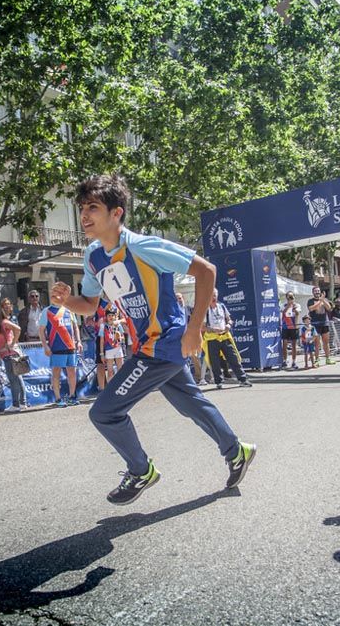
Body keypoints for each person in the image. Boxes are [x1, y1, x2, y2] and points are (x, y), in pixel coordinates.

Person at [49, 174, 257, 505]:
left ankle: (140, 470)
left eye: (93, 208)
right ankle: (237, 451)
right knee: (190, 402)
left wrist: (194, 329)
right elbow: (89, 306)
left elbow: (206, 271)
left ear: (116, 213)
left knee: (104, 412)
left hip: (165, 342)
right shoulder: (93, 257)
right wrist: (65, 302)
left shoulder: (144, 247)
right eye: (82, 208)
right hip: (148, 343)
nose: (84, 216)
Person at [203, 288, 252, 389]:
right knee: (214, 362)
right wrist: (212, 329)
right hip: (212, 338)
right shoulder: (205, 309)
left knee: (233, 358)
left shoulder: (222, 306)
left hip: (225, 336)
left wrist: (229, 325)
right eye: (211, 295)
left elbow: (229, 319)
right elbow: (202, 327)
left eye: (215, 295)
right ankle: (219, 382)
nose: (213, 298)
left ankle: (243, 379)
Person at [42, 297, 82, 407]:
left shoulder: (69, 310)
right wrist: (45, 346)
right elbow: (41, 330)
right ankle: (58, 398)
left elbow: (75, 327)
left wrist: (78, 341)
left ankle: (72, 396)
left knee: (72, 372)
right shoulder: (47, 311)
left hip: (71, 346)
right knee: (56, 373)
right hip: (56, 347)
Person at [0, 298, 28, 412]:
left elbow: (18, 329)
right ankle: (22, 403)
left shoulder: (4, 322)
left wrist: (12, 344)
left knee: (14, 379)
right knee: (18, 378)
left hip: (10, 354)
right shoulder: (1, 323)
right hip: (9, 354)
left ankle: (16, 404)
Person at [176, 291, 206, 385]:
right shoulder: (174, 310)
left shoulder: (189, 309)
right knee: (182, 359)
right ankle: (184, 380)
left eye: (180, 298)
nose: (179, 300)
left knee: (195, 357)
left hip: (191, 337)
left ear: (183, 298)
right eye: (177, 299)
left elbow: (197, 320)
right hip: (179, 337)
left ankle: (199, 377)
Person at [306, 286, 335, 366]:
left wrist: (323, 300)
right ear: (313, 292)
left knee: (326, 342)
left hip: (325, 323)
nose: (317, 292)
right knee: (317, 343)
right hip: (315, 324)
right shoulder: (310, 301)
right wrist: (320, 301)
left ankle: (328, 358)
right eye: (315, 291)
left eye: (318, 291)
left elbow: (329, 308)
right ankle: (317, 359)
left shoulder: (324, 300)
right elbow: (311, 308)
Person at [100, 304, 126, 382]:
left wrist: (119, 338)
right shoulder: (103, 326)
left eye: (112, 315)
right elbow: (101, 340)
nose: (111, 317)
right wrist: (102, 354)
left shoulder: (118, 325)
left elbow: (123, 337)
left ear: (115, 316)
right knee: (110, 371)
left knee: (120, 370)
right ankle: (110, 388)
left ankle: (121, 386)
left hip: (118, 348)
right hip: (108, 350)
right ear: (106, 317)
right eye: (109, 315)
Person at [280, 291, 301, 369]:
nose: (290, 298)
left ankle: (294, 362)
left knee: (294, 345)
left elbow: (297, 313)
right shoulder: (283, 305)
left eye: (292, 296)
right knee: (284, 344)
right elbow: (283, 312)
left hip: (294, 327)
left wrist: (294, 307)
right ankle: (285, 361)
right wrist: (289, 305)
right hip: (285, 326)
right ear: (286, 297)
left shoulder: (297, 305)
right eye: (289, 297)